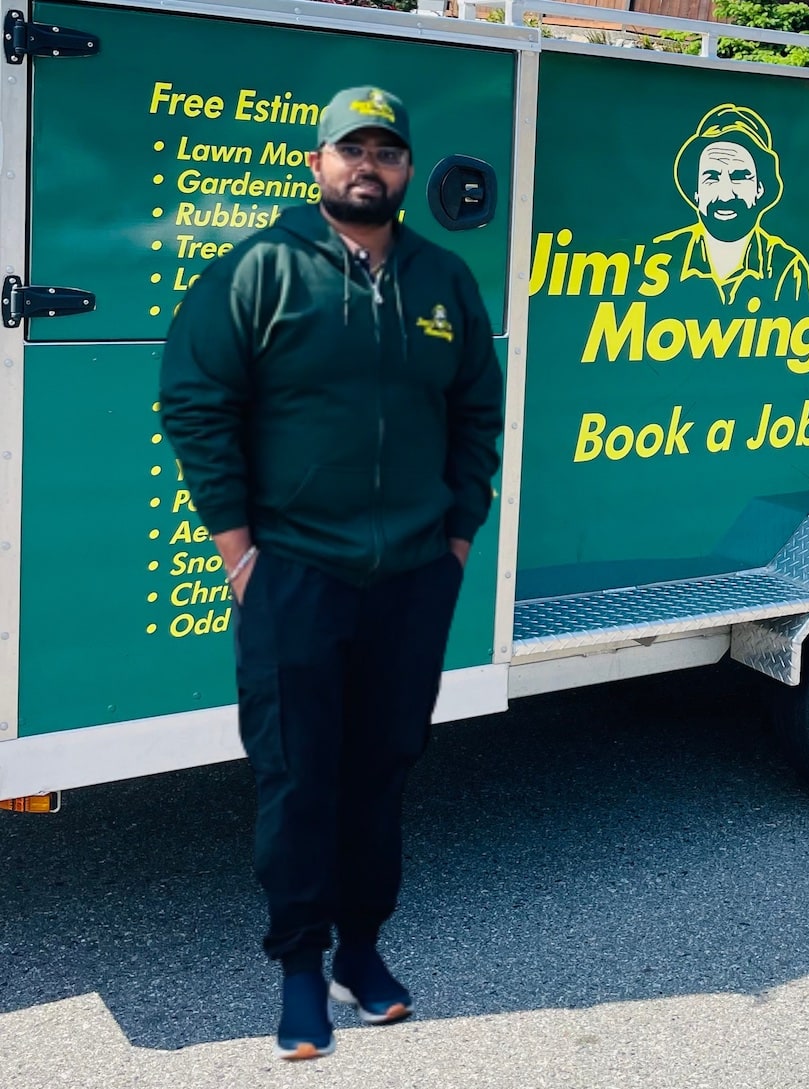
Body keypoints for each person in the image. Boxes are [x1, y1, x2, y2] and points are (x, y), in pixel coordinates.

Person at [159, 86, 504, 1060]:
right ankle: (300, 970)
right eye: (349, 149)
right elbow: (194, 403)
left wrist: (458, 538)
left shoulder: (444, 281)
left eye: (387, 151)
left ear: (405, 169)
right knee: (298, 777)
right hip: (297, 575)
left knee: (381, 771)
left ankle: (362, 952)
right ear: (315, 166)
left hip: (411, 575)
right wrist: (239, 552)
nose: (369, 165)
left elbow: (478, 414)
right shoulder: (260, 270)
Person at [653, 103, 809, 304]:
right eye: (711, 177)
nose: (725, 195)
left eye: (739, 177)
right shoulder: (661, 257)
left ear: (760, 189)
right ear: (696, 191)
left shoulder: (785, 267)